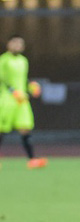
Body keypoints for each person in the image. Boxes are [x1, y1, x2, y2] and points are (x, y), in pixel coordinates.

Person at [0, 35, 47, 170]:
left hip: (22, 100)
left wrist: (31, 86)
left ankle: (32, 159)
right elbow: (2, 79)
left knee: (25, 128)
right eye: (15, 43)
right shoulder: (3, 60)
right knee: (2, 130)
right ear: (9, 44)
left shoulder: (23, 61)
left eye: (20, 43)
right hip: (7, 100)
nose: (18, 46)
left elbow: (23, 79)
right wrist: (13, 91)